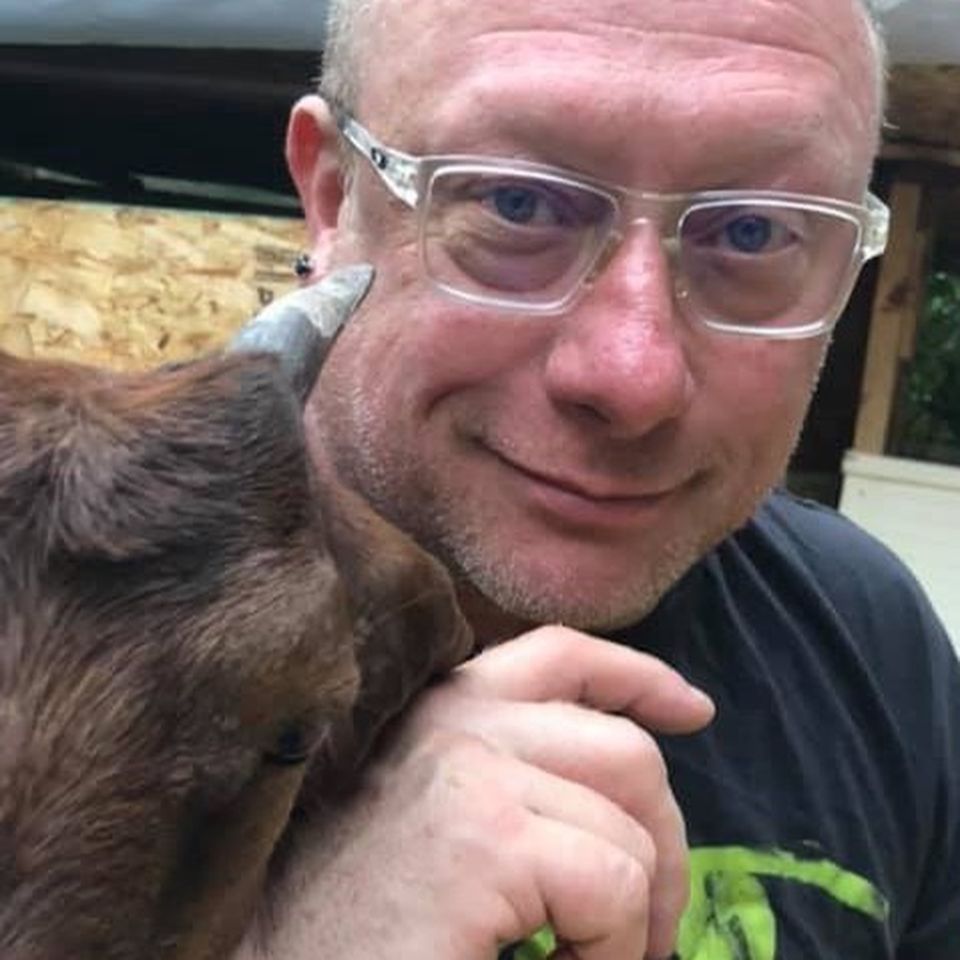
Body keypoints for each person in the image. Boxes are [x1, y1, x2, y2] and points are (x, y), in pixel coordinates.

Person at [237, 0, 960, 956]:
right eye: (519, 204)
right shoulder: (60, 616)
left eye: (753, 232)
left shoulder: (865, 637)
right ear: (334, 198)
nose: (635, 377)